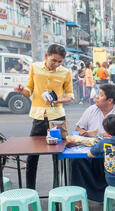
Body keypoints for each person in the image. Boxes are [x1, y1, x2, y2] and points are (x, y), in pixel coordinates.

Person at [14, 44, 74, 189]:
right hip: (39, 118)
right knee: (32, 156)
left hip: (57, 118)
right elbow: (29, 90)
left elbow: (70, 96)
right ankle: (30, 190)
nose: (56, 64)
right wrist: (22, 90)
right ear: (46, 56)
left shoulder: (65, 73)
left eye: (60, 62)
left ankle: (58, 190)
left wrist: (59, 100)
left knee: (58, 157)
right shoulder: (35, 68)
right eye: (54, 60)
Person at [71, 84, 115, 202]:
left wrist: (101, 135)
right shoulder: (92, 109)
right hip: (91, 149)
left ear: (110, 100)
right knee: (76, 161)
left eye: (100, 95)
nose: (96, 97)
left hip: (111, 151)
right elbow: (78, 128)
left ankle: (111, 197)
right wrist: (83, 132)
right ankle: (79, 199)